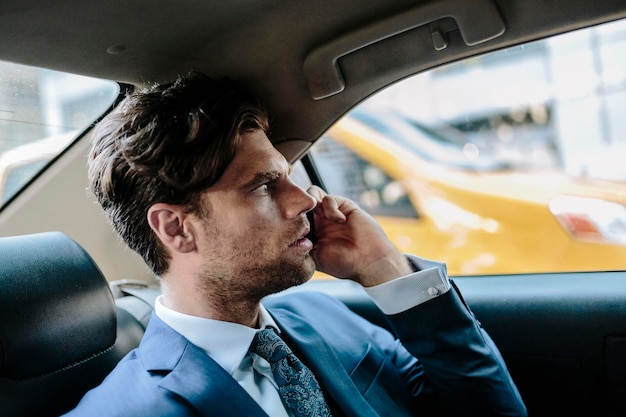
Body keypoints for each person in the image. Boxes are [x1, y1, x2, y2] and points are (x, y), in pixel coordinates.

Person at [65, 72, 526, 417]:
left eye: (291, 176)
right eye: (265, 186)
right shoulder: (127, 409)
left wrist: (385, 267)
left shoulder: (324, 317)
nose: (306, 199)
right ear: (176, 228)